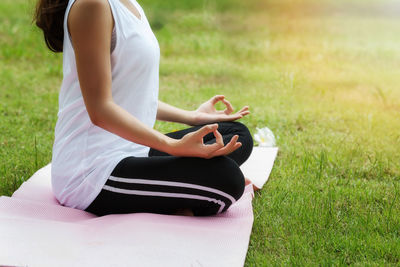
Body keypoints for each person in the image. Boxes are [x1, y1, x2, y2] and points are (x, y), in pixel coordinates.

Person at [34, 0, 253, 217]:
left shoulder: (129, 4)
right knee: (228, 179)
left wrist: (193, 117)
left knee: (236, 134)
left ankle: (177, 192)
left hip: (134, 149)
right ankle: (179, 196)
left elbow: (132, 95)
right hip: (91, 172)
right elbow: (100, 109)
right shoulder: (92, 6)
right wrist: (172, 146)